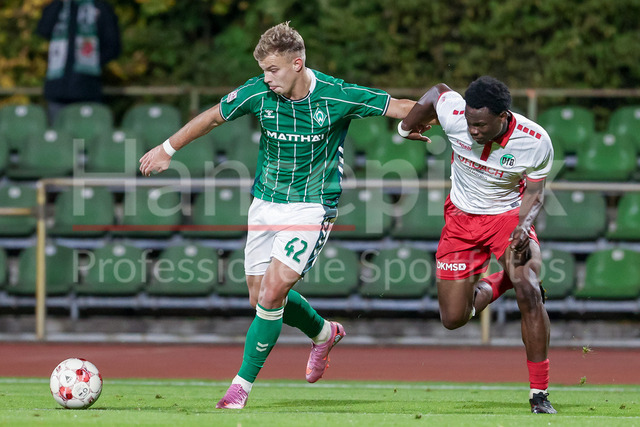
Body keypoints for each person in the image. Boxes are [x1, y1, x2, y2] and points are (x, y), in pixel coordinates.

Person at [139, 22, 415, 409]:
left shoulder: (336, 95)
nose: (267, 78)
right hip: (265, 204)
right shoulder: (259, 92)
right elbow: (214, 116)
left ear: (297, 64)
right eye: (264, 70)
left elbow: (398, 106)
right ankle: (324, 333)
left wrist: (429, 122)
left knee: (272, 294)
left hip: (312, 206)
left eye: (273, 70)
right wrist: (167, 149)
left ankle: (239, 389)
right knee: (260, 299)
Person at [397, 76, 557, 414]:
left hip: (506, 218)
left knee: (529, 288)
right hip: (460, 220)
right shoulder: (457, 115)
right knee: (454, 318)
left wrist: (524, 226)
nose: (472, 131)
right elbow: (438, 91)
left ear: (503, 116)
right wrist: (406, 126)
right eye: (469, 123)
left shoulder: (535, 140)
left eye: (481, 125)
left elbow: (535, 191)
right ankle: (506, 279)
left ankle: (539, 394)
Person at [36, 0, 121, 124]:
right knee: (59, 133)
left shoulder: (100, 8)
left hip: (88, 89)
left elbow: (113, 46)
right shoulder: (58, 6)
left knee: (86, 132)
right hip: (57, 89)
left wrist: (92, 62)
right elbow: (43, 30)